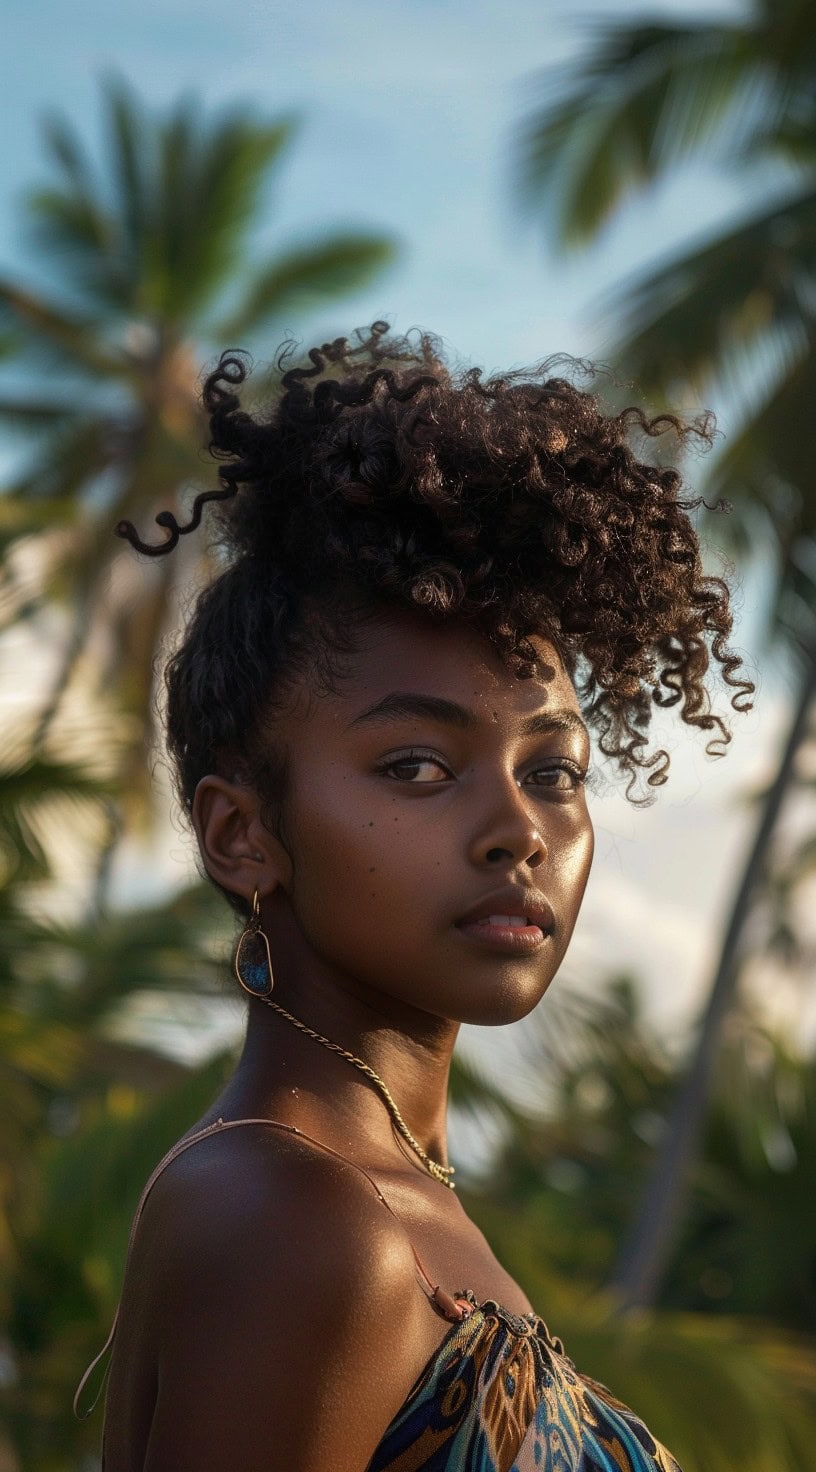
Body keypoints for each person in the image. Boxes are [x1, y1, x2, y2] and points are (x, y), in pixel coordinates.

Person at [75, 323, 752, 1470]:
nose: (518, 833)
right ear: (242, 834)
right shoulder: (298, 1217)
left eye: (554, 773)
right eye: (419, 769)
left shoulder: (379, 1200)